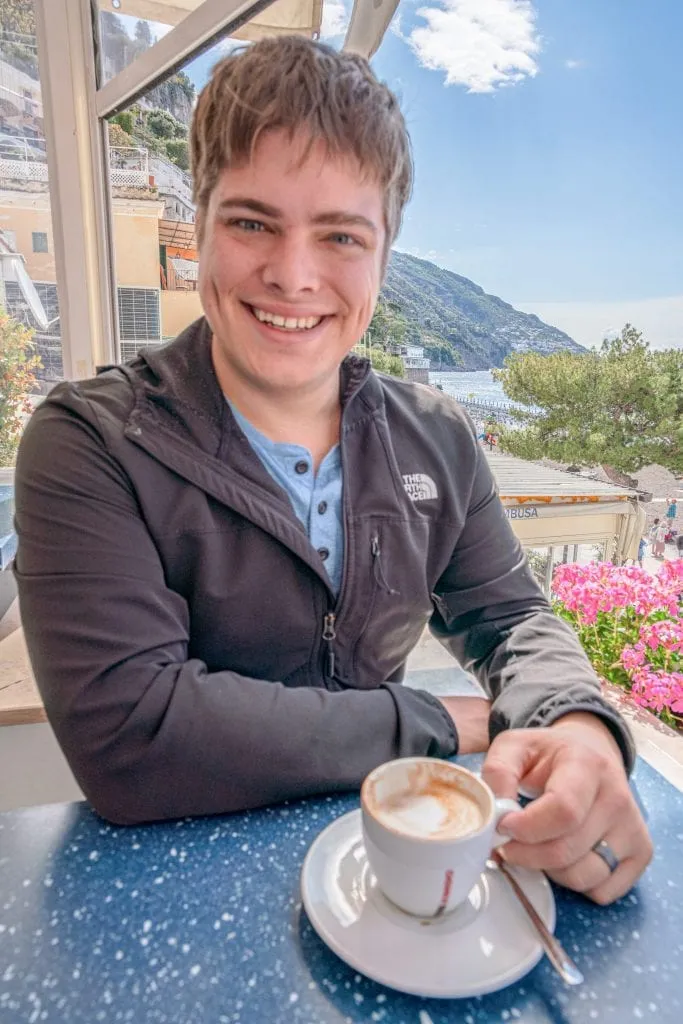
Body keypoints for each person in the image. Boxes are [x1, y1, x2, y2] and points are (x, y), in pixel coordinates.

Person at [14, 36, 651, 905]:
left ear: (383, 256)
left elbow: (511, 618)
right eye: (250, 222)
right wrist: (441, 723)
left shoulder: (436, 436)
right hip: (171, 883)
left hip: (389, 855)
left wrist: (573, 722)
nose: (293, 274)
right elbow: (133, 737)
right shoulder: (90, 442)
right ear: (198, 226)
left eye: (340, 235)